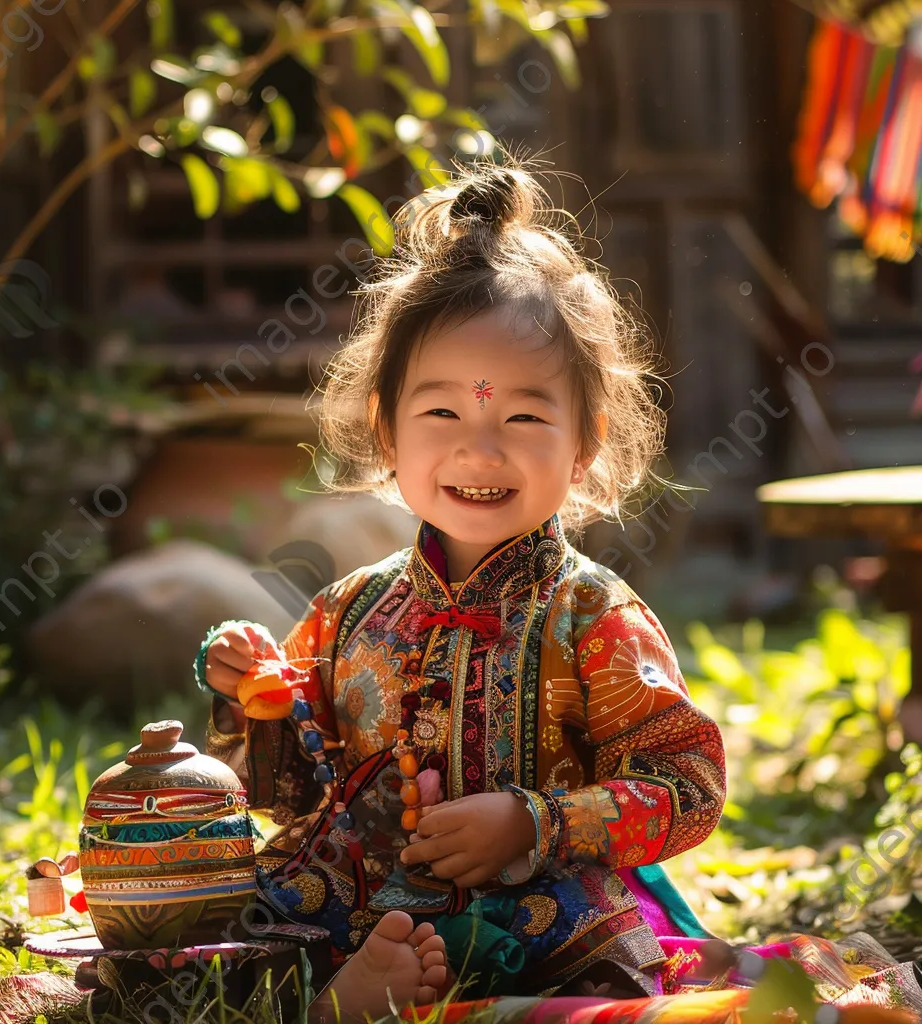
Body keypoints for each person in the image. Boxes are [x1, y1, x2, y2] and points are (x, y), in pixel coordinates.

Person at [192, 161, 919, 1024]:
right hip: (360, 898)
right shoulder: (349, 612)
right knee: (223, 933)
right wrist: (254, 701)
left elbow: (686, 784)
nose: (481, 451)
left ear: (585, 442)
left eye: (524, 418)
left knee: (590, 966)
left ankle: (414, 994)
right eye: (443, 416)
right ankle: (371, 985)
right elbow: (292, 794)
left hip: (542, 912)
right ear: (387, 429)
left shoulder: (593, 616)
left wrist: (534, 825)